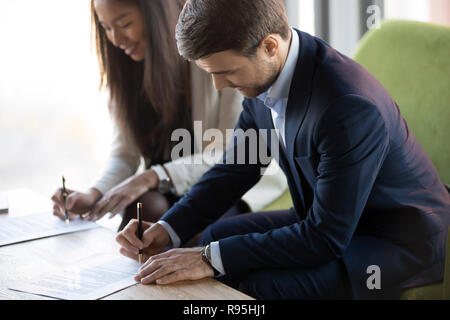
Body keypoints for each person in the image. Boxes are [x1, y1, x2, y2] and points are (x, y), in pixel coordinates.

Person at [115, 0, 450, 299]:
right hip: (325, 218)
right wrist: (168, 230)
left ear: (270, 46)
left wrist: (209, 260)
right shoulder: (268, 69)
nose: (220, 85)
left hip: (389, 242)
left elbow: (325, 238)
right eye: (212, 74)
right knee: (214, 237)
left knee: (252, 286)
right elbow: (235, 170)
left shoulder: (347, 107)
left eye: (227, 72)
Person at [50, 0, 287, 232]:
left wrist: (154, 176)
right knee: (141, 213)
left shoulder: (215, 60)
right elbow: (125, 154)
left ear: (158, 15)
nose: (115, 39)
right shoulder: (125, 71)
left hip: (225, 183)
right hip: (164, 186)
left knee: (205, 228)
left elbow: (229, 155)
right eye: (106, 27)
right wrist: (95, 193)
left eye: (124, 24)